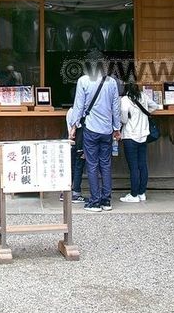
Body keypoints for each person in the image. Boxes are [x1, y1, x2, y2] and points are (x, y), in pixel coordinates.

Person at [67, 52, 122, 212]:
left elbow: (78, 105)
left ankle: (95, 201)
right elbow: (115, 107)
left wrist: (73, 125)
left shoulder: (83, 81)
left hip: (90, 128)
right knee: (105, 164)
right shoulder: (112, 82)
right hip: (106, 130)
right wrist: (116, 128)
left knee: (92, 164)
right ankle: (106, 201)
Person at [119, 81, 160, 203]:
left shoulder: (125, 99)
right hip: (143, 135)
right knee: (142, 165)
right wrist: (146, 114)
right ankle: (142, 193)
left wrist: (126, 118)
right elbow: (155, 106)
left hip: (130, 136)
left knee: (133, 167)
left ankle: (133, 195)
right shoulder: (143, 96)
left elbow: (124, 119)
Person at [61, 106, 85, 203]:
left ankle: (64, 192)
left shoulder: (70, 111)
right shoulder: (79, 112)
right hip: (78, 143)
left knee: (70, 168)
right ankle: (76, 193)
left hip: (71, 143)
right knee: (78, 167)